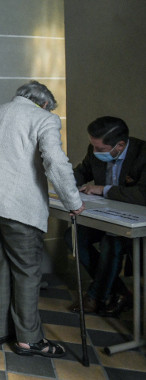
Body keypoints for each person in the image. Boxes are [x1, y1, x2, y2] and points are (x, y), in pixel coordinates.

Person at [0, 81, 85, 359]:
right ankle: (29, 339)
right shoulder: (45, 119)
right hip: (17, 208)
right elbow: (55, 161)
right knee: (27, 272)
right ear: (44, 104)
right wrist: (73, 202)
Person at [64, 116, 146, 316]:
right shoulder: (97, 150)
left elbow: (142, 194)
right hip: (105, 216)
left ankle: (95, 296)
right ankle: (120, 292)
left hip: (135, 221)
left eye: (100, 149)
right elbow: (82, 172)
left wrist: (103, 189)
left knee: (112, 243)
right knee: (73, 236)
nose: (94, 152)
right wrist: (65, 183)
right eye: (93, 146)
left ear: (120, 145)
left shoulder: (142, 154)